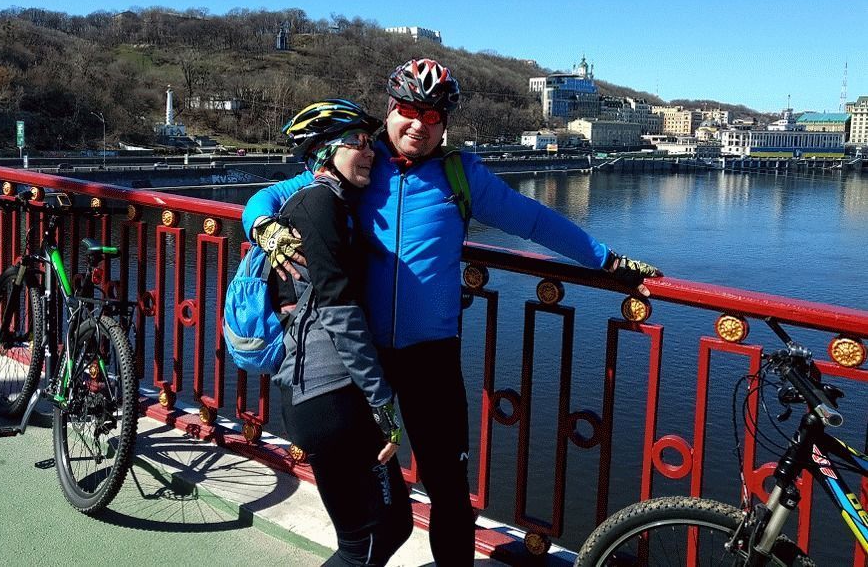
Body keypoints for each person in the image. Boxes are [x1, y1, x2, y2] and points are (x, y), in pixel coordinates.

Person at [245, 60, 661, 566]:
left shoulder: (460, 175)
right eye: (408, 110)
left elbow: (533, 220)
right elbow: (272, 195)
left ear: (445, 123)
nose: (418, 124)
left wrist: (607, 261)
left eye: (432, 115)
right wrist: (263, 227)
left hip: (431, 356)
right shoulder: (361, 159)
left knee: (448, 488)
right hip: (363, 359)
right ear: (389, 109)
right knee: (375, 508)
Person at [270, 99, 413, 566]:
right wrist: (381, 400)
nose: (369, 151)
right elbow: (338, 309)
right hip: (329, 396)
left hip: (333, 393)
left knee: (392, 526)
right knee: (365, 542)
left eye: (370, 142)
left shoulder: (336, 204)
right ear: (324, 152)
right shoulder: (318, 205)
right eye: (356, 142)